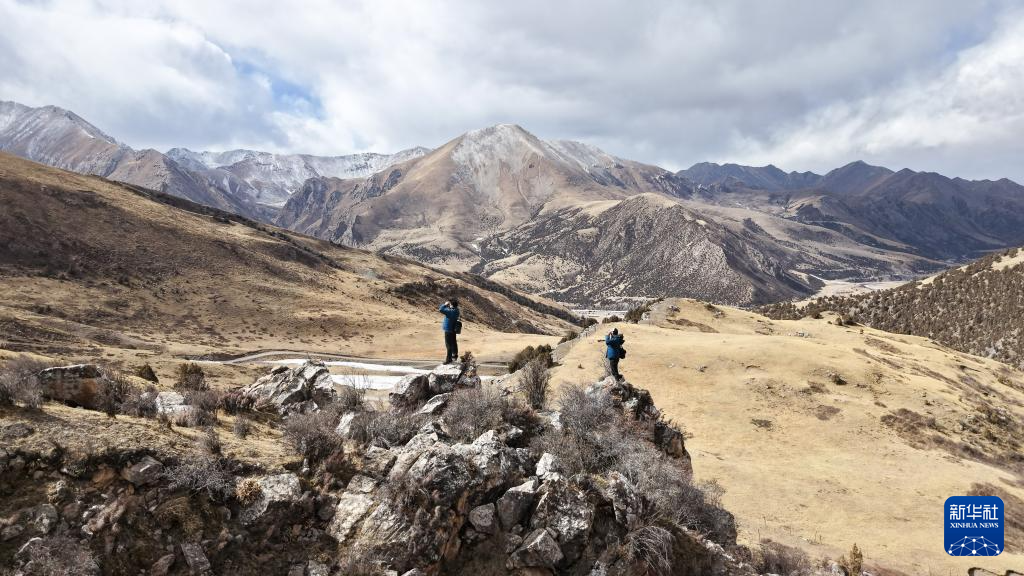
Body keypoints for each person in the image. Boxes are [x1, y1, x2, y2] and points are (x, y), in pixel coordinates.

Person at [439, 298, 460, 364]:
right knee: (453, 343)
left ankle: (448, 359)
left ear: (451, 305)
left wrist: (445, 304)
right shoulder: (456, 310)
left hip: (448, 330)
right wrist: (450, 306)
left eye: (450, 304)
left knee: (448, 345)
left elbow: (441, 309)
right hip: (453, 329)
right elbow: (450, 309)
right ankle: (455, 355)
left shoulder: (450, 312)